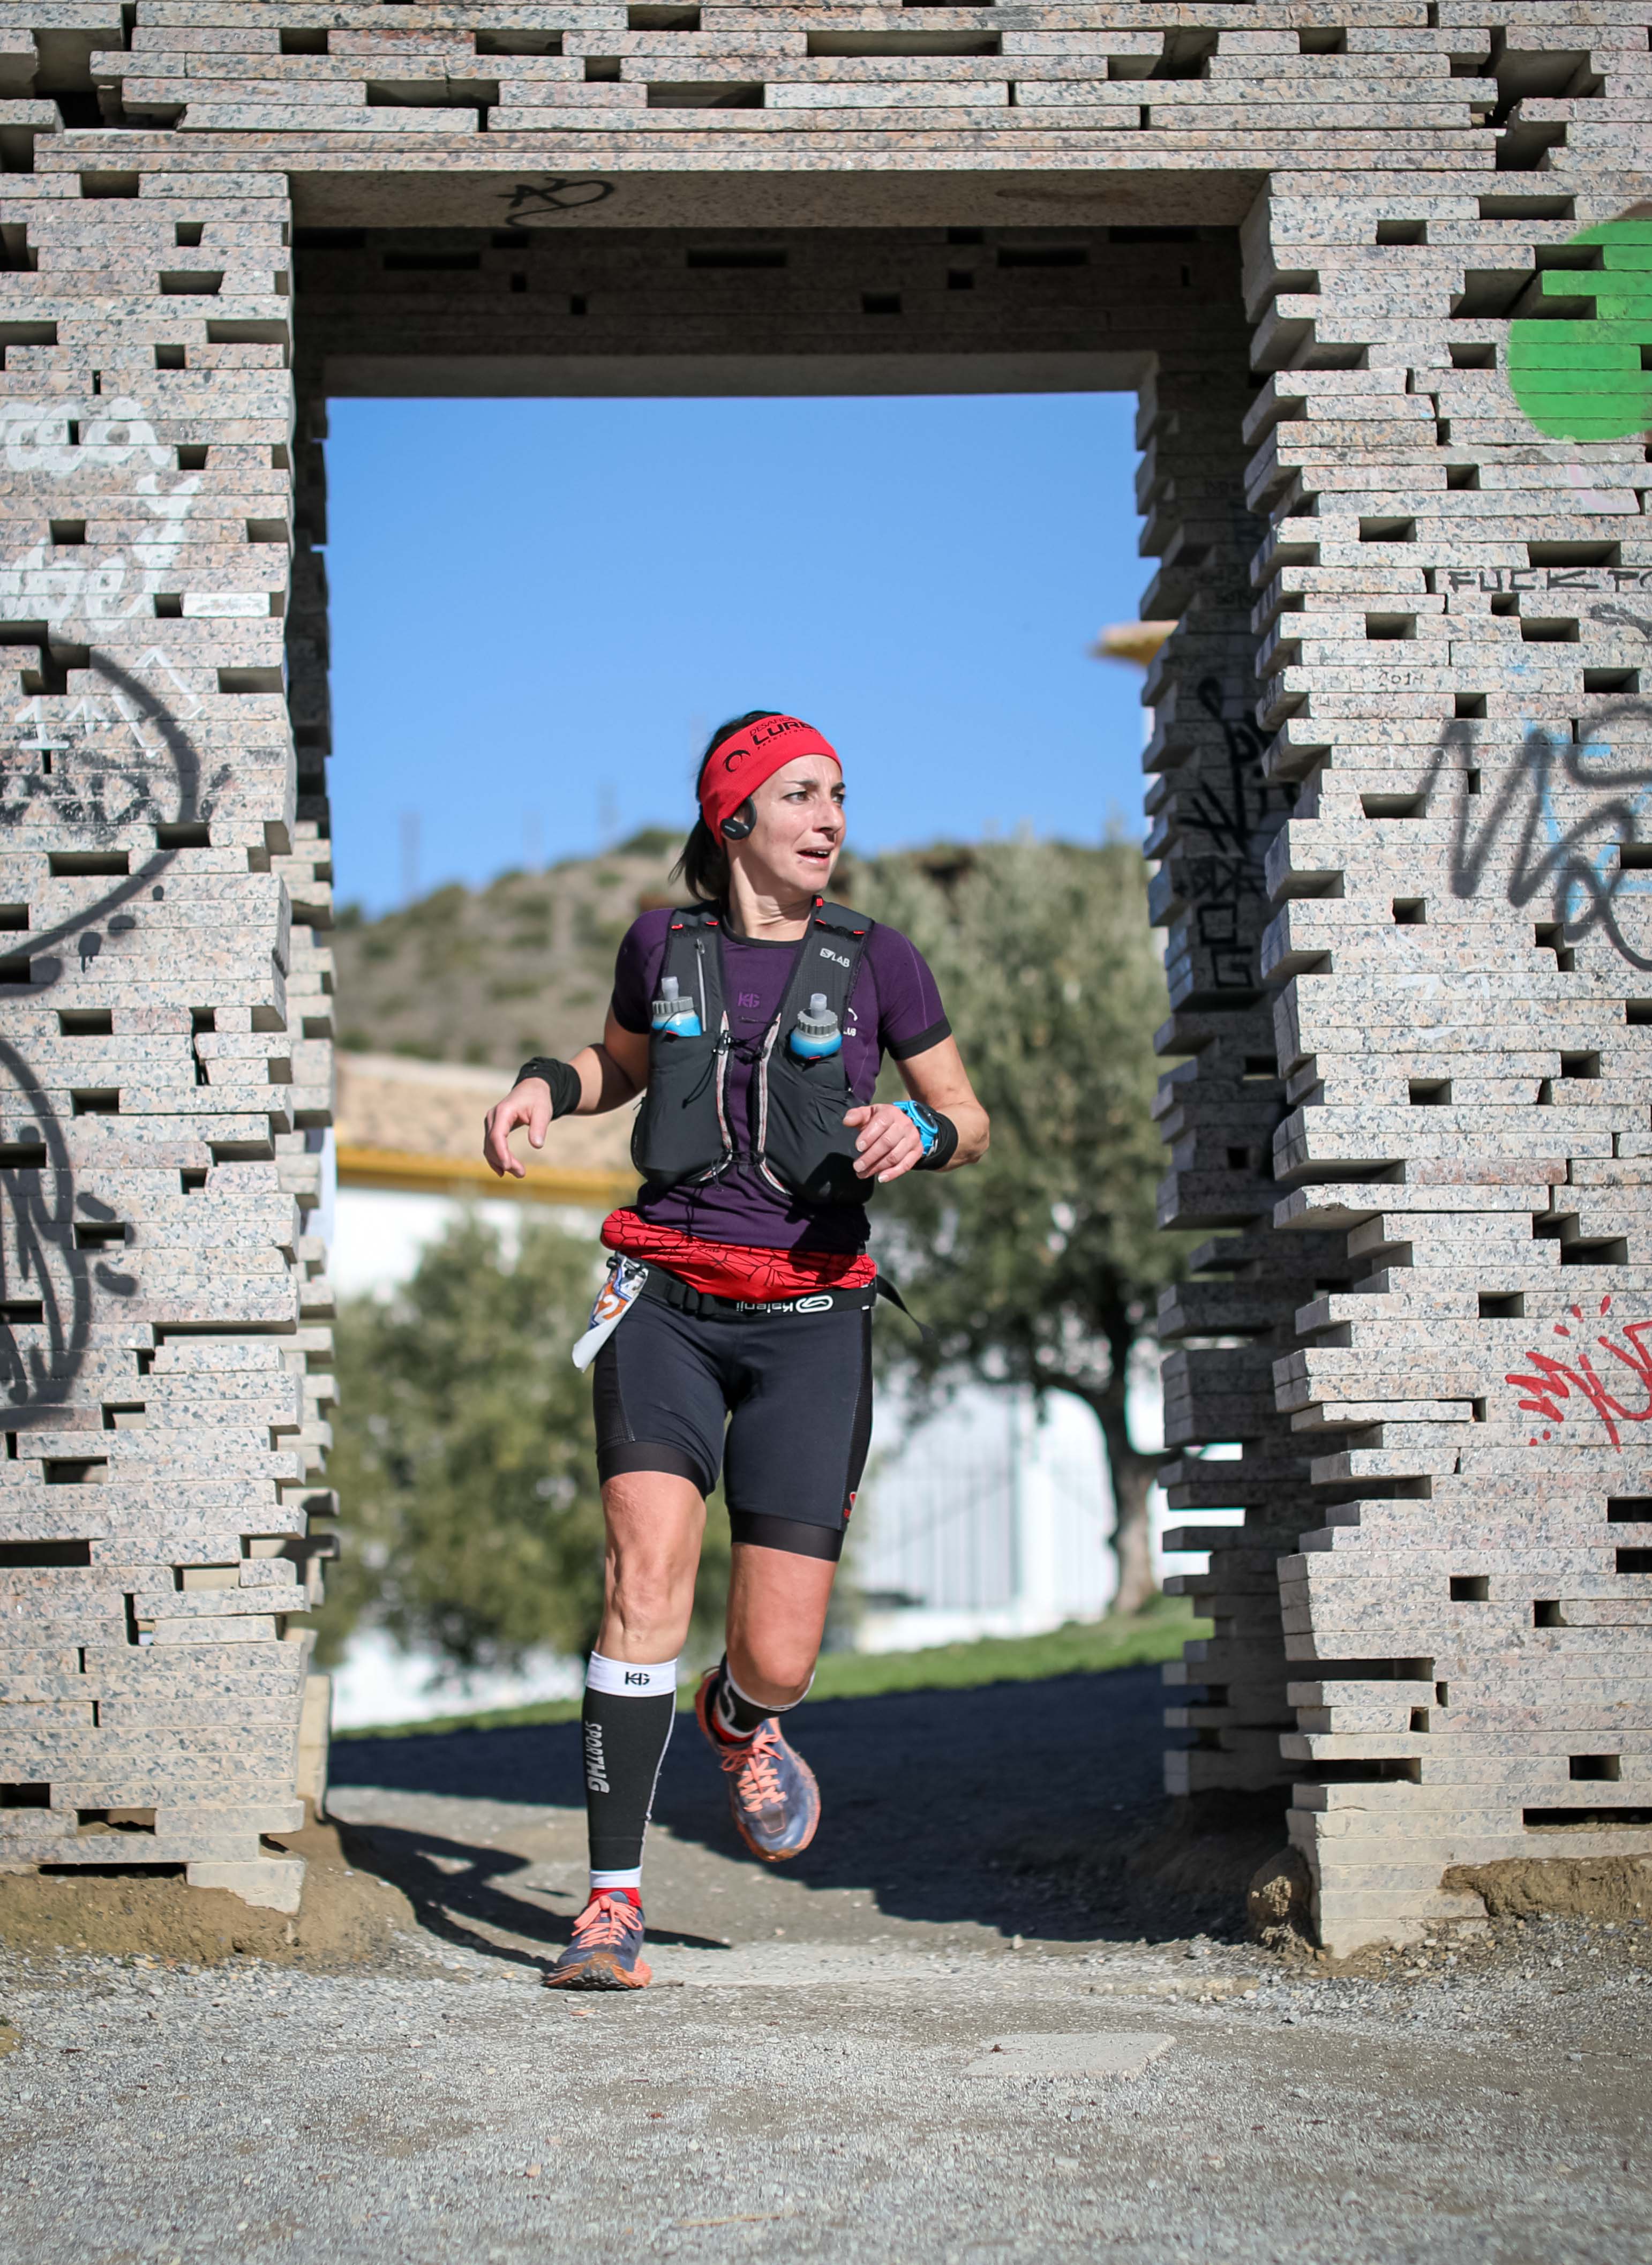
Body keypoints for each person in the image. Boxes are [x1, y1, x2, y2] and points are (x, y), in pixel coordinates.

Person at [483, 710, 988, 1990]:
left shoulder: (882, 961)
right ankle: (609, 1902)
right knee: (641, 1573)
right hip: (665, 1299)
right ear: (736, 816)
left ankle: (737, 1719)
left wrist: (922, 1136)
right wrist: (548, 1081)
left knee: (780, 1655)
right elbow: (618, 1065)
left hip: (814, 1320)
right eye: (803, 795)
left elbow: (970, 1116)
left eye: (839, 796)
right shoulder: (664, 943)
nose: (831, 820)